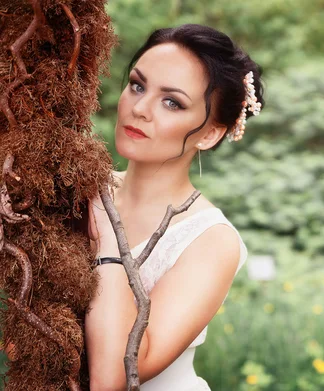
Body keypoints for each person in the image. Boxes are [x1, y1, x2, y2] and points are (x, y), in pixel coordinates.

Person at [85, 24, 264, 391]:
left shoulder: (211, 241)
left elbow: (115, 376)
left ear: (211, 132)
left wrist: (103, 226)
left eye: (172, 102)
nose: (140, 108)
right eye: (137, 85)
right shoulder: (79, 190)